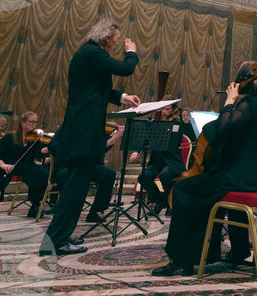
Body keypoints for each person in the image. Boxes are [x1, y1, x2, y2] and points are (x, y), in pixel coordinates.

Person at [152, 61, 257, 276]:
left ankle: (182, 258)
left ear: (239, 83)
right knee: (213, 184)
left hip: (243, 181)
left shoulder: (246, 105)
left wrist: (229, 103)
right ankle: (237, 251)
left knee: (185, 188)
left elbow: (220, 130)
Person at [40, 19, 140, 256]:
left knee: (76, 189)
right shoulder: (93, 53)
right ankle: (56, 240)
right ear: (107, 38)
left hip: (82, 129)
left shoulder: (90, 54)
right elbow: (126, 68)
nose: (117, 43)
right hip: (83, 130)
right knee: (75, 191)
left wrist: (124, 98)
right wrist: (131, 52)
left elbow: (100, 89)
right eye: (116, 39)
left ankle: (58, 236)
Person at [0, 111, 50, 218]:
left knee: (42, 174)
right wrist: (3, 165)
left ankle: (35, 205)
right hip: (8, 165)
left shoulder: (35, 139)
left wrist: (49, 149)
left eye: (35, 122)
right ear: (22, 122)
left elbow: (39, 154)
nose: (33, 125)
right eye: (31, 122)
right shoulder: (9, 137)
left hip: (26, 166)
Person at [50, 122, 124, 224]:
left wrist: (115, 137)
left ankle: (95, 211)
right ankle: (64, 210)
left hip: (88, 165)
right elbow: (52, 145)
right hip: (69, 164)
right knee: (63, 175)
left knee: (109, 175)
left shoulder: (94, 127)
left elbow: (101, 149)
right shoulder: (67, 126)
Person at [128, 102, 192, 215]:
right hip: (157, 161)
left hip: (171, 161)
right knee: (143, 177)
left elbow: (177, 137)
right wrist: (137, 151)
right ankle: (160, 201)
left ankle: (171, 202)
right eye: (162, 109)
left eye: (167, 109)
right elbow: (146, 139)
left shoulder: (177, 124)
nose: (164, 112)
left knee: (165, 175)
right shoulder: (157, 124)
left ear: (173, 110)